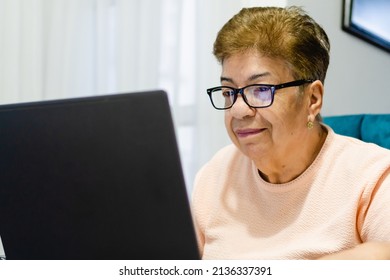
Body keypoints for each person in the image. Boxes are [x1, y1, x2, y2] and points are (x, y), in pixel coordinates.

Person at [191, 6, 390, 259]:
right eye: (229, 92)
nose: (238, 110)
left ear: (313, 99)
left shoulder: (373, 177)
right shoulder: (216, 174)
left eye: (261, 90)